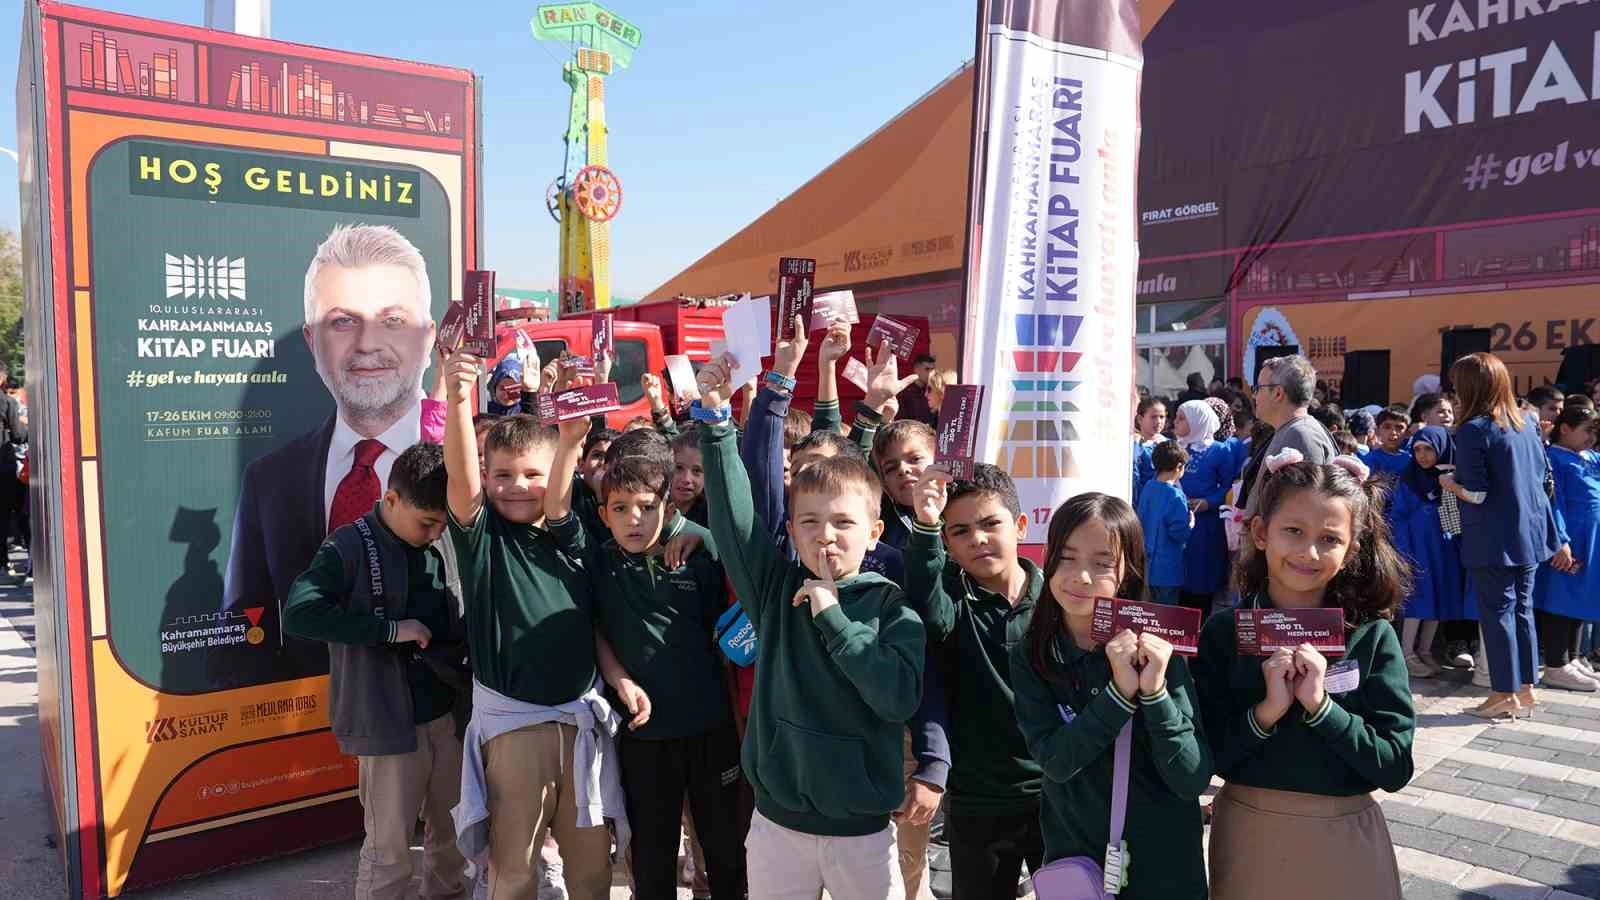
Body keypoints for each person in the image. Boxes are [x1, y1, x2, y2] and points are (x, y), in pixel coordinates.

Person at [694, 351, 926, 900]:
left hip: (863, 833)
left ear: (874, 532)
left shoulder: (894, 609)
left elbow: (897, 698)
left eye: (844, 522)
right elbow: (734, 522)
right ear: (793, 530)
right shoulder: (774, 590)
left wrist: (834, 617)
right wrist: (717, 422)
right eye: (810, 522)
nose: (826, 535)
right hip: (778, 826)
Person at [544, 402, 748, 900]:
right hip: (643, 736)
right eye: (619, 508)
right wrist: (620, 680)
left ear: (669, 507)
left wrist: (695, 535)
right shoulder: (599, 561)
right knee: (652, 857)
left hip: (711, 729)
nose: (634, 519)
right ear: (603, 513)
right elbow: (558, 517)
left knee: (725, 852)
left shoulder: (701, 551)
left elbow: (739, 588)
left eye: (647, 506)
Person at [440, 351, 623, 900]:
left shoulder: (577, 536)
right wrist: (457, 397)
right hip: (514, 732)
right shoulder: (483, 537)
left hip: (582, 722)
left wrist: (569, 442)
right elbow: (460, 477)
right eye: (502, 475)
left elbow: (563, 492)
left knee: (591, 870)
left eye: (531, 475)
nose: (516, 486)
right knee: (514, 871)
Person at [223, 224, 438, 687]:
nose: (367, 343)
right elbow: (246, 632)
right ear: (311, 341)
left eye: (393, 321)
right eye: (342, 321)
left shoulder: (477, 469)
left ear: (428, 336)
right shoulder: (268, 481)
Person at [1192, 457, 1414, 899]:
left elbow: (1394, 767)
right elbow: (1204, 759)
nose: (1309, 552)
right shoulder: (1224, 632)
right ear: (1260, 532)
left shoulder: (1370, 635)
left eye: (1329, 539)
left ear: (1351, 549)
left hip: (1345, 839)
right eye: (1293, 530)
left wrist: (1323, 709)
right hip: (1250, 838)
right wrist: (1265, 713)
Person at [283, 442, 468, 900]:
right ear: (391, 500)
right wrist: (388, 630)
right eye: (426, 523)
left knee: (453, 840)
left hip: (450, 716)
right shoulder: (347, 545)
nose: (434, 534)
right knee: (390, 853)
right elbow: (299, 613)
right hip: (387, 723)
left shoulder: (444, 536)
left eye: (442, 524)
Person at [1009, 493, 1211, 899]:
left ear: (1128, 570)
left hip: (1165, 868)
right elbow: (1056, 761)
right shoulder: (1033, 653)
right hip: (1078, 860)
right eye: (1066, 557)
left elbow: (1191, 777)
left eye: (1102, 563)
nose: (1081, 576)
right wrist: (1117, 695)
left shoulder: (1160, 650)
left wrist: (1154, 693)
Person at [906, 464, 1044, 899]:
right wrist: (926, 524)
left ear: (1020, 525)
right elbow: (927, 606)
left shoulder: (1057, 601)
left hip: (1057, 796)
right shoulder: (951, 598)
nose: (977, 539)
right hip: (978, 801)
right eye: (960, 531)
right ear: (947, 543)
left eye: (990, 524)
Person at [1439, 352, 1570, 720]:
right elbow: (1542, 479)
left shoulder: (1474, 429)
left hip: (1493, 537)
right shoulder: (1526, 422)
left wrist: (1449, 483)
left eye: (1457, 385)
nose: (1454, 393)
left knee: (1497, 615)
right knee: (1522, 611)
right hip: (1530, 533)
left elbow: (1476, 493)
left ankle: (1502, 694)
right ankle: (1524, 688)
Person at [1390, 427, 1473, 679]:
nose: (1423, 455)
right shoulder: (1409, 478)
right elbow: (1397, 515)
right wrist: (1405, 548)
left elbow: (1455, 519)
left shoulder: (1452, 477)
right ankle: (1406, 653)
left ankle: (1425, 650)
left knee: (1440, 597)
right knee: (1418, 599)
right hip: (1417, 548)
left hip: (1444, 548)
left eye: (1429, 449)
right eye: (1417, 449)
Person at [1532, 402, 1600, 691]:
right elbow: (1552, 502)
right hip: (1571, 539)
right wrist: (1560, 540)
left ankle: (1572, 657)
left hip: (1590, 539)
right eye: (1587, 431)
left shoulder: (1589, 457)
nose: (1591, 438)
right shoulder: (1554, 458)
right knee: (1562, 597)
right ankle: (1555, 665)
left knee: (1580, 596)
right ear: (1565, 429)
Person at [1241, 355, 1337, 514]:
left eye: (1258, 388)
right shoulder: (1291, 430)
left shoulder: (1302, 435)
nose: (1254, 395)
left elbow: (1304, 511)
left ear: (1278, 393)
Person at [1172, 400, 1231, 612]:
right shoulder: (1175, 448)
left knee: (1201, 582)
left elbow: (1230, 487)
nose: (1175, 422)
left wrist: (1209, 502)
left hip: (1205, 527)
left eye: (1181, 418)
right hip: (1178, 522)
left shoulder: (1219, 451)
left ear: (1198, 421)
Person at [1137, 441, 1191, 606]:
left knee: (1147, 610)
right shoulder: (1176, 495)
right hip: (1168, 569)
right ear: (1179, 467)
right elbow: (1178, 532)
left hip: (1146, 565)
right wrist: (1190, 524)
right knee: (1166, 614)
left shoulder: (1148, 487)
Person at [670, 428, 709, 526]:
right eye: (679, 468)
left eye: (697, 471)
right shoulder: (652, 506)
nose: (686, 479)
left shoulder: (712, 517)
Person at [896, 354, 941, 427]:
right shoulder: (904, 393)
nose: (930, 373)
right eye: (927, 369)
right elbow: (901, 422)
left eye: (933, 370)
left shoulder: (934, 391)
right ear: (916, 369)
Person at [1366, 410, 1412, 481]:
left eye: (1399, 428)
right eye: (1387, 427)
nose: (1393, 432)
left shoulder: (1411, 459)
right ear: (1377, 430)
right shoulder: (1369, 459)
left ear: (1407, 433)